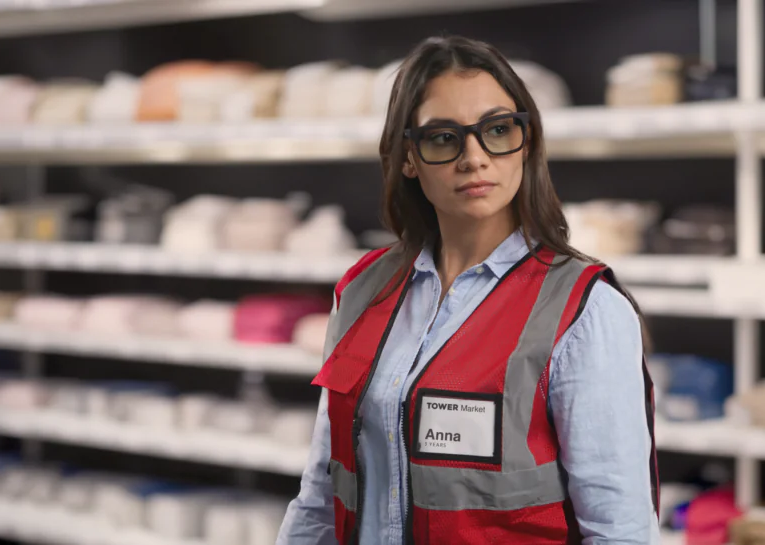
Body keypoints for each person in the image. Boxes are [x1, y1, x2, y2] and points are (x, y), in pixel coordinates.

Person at [277, 35, 659, 545]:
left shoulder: (584, 311)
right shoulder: (362, 290)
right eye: (443, 138)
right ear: (408, 157)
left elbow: (620, 532)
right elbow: (321, 494)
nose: (474, 157)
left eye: (498, 130)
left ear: (527, 141)